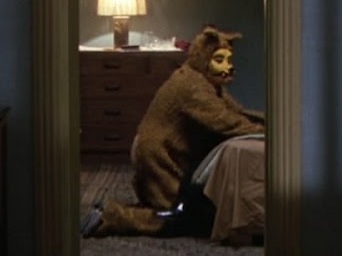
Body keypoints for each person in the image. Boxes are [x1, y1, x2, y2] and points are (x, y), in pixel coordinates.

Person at [83, 25, 264, 238]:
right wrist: (264, 132)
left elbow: (236, 112)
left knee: (174, 209)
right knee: (178, 216)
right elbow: (224, 121)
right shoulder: (191, 85)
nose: (229, 66)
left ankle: (108, 211)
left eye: (229, 60)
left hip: (174, 153)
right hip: (160, 155)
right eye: (219, 60)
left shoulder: (207, 82)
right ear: (204, 59)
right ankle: (112, 217)